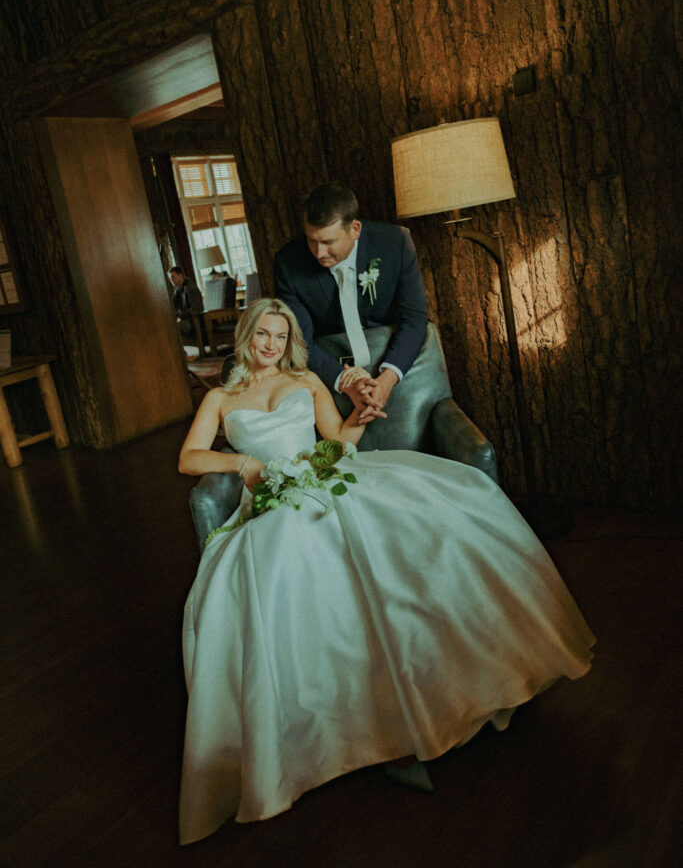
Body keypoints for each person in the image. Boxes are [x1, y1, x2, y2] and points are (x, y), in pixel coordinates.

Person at [176, 298, 594, 845]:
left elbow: (338, 444)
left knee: (421, 533)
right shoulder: (221, 398)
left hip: (328, 481)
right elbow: (189, 458)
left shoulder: (307, 382)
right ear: (248, 336)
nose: (271, 345)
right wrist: (245, 464)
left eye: (281, 336)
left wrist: (355, 420)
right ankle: (352, 733)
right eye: (263, 334)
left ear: (289, 342)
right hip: (275, 506)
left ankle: (421, 708)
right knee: (298, 565)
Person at [274, 182, 428, 414]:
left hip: (395, 359)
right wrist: (346, 382)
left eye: (328, 242)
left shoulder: (395, 243)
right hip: (330, 368)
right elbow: (300, 340)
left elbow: (415, 318)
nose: (319, 253)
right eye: (311, 240)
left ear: (355, 229)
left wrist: (387, 379)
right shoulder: (288, 263)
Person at [168, 266, 204, 335]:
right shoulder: (178, 289)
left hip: (195, 321)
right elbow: (173, 306)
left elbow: (196, 308)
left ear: (180, 275)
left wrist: (180, 314)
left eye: (173, 276)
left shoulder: (191, 288)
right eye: (170, 278)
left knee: (172, 327)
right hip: (186, 320)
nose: (171, 280)